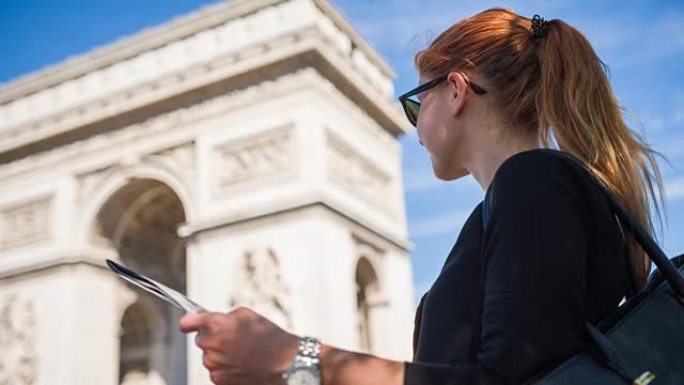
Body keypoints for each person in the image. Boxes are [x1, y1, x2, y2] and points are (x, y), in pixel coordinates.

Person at [178, 8, 667, 385]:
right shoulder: (529, 196)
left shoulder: (533, 183)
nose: (412, 128)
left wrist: (295, 355)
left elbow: (506, 381)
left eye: (415, 104)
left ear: (455, 90)